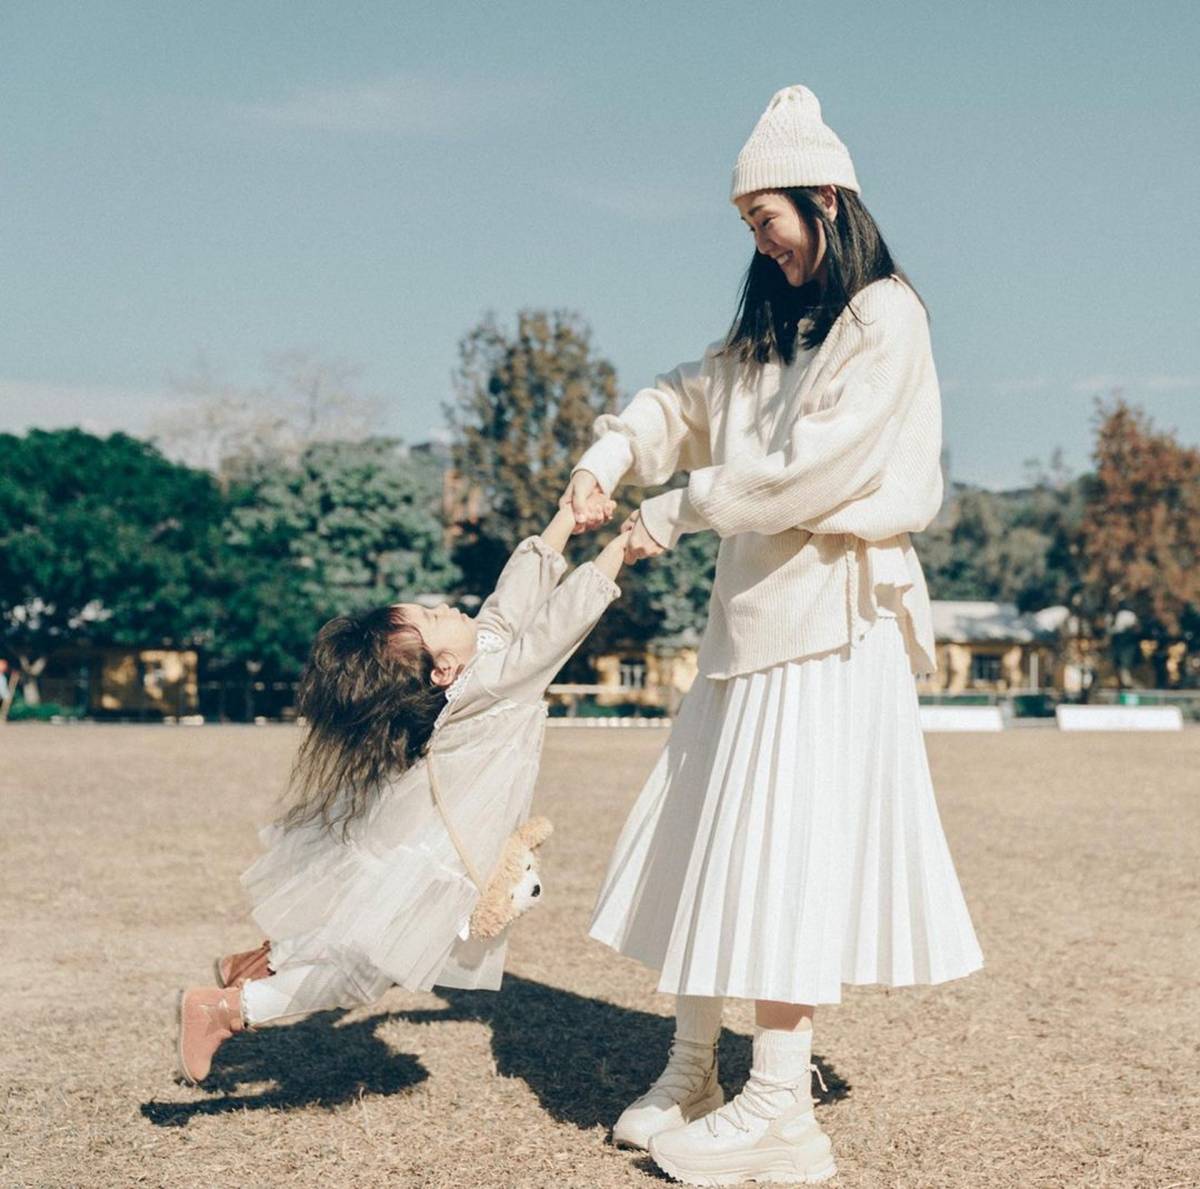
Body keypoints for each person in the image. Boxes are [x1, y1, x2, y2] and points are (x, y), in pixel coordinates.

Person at [562, 85, 983, 1186]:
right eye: (749, 223)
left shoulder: (885, 317)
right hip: (747, 623)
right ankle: (694, 1067)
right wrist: (608, 459)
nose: (762, 240)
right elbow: (681, 400)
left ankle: (783, 1108)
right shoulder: (771, 333)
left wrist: (675, 507)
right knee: (715, 842)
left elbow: (815, 470)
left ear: (827, 199)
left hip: (833, 617)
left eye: (769, 218)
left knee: (782, 851)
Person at [176, 500, 627, 1085]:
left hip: (422, 843)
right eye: (433, 617)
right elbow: (557, 627)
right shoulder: (492, 683)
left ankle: (264, 961)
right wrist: (621, 548)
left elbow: (511, 603)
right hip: (438, 859)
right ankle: (227, 1009)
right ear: (442, 670)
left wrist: (566, 518)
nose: (447, 607)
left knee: (364, 945)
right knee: (371, 968)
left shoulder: (482, 664)